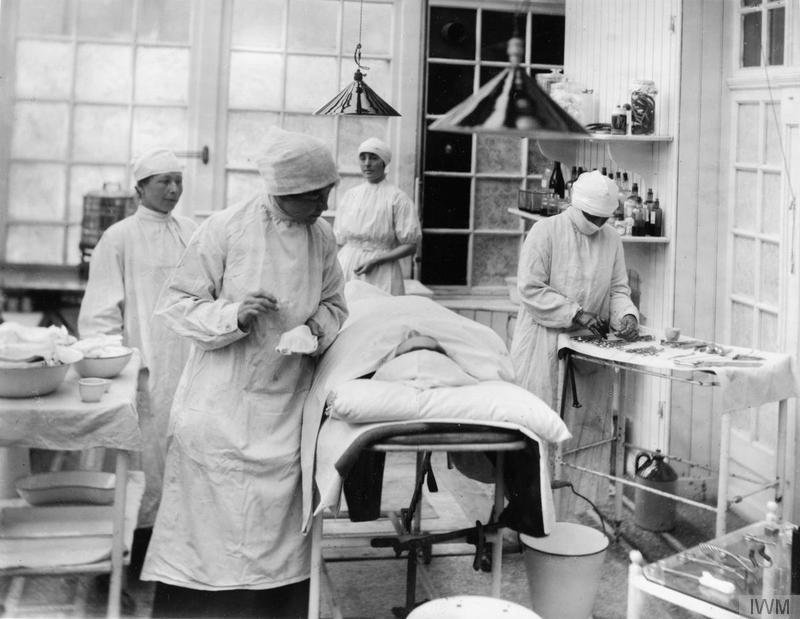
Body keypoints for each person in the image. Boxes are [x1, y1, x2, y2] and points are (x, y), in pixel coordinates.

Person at [140, 127, 348, 619]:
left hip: (285, 401)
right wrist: (233, 314)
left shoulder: (322, 236)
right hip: (222, 403)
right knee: (211, 535)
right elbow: (177, 305)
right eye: (313, 194)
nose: (324, 202)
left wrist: (315, 327)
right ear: (282, 191)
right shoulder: (225, 228)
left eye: (327, 191)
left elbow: (336, 304)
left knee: (271, 538)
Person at [78, 148, 197, 573]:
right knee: (143, 453)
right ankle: (131, 547)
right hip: (141, 361)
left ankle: (178, 546)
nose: (173, 189)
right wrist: (115, 365)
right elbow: (100, 312)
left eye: (178, 180)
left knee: (185, 448)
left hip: (188, 357)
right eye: (163, 181)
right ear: (140, 188)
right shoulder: (119, 237)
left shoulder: (191, 231)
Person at [510, 169, 639, 410]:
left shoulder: (611, 238)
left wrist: (627, 316)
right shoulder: (545, 231)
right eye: (592, 217)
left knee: (584, 425)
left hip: (587, 345)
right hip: (543, 342)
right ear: (576, 206)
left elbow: (617, 289)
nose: (598, 224)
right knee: (540, 417)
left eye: (604, 218)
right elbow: (530, 288)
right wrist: (577, 313)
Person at [333, 137, 421, 295]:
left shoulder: (397, 198)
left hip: (382, 270)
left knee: (380, 313)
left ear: (384, 163)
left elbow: (411, 245)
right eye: (363, 158)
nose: (367, 163)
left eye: (373, 158)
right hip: (348, 266)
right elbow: (339, 240)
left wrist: (377, 261)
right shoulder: (350, 196)